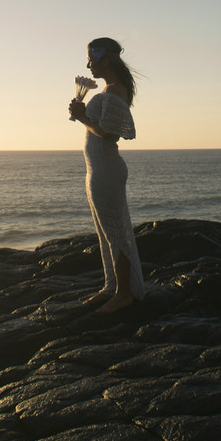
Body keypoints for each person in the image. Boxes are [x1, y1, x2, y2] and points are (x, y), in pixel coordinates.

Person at [68, 37, 144, 314]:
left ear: (106, 59)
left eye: (91, 58)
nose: (88, 65)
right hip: (97, 169)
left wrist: (83, 118)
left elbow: (109, 135)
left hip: (107, 170)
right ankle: (111, 286)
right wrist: (83, 117)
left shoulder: (114, 92)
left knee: (115, 233)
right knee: (105, 233)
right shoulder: (111, 90)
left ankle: (124, 294)